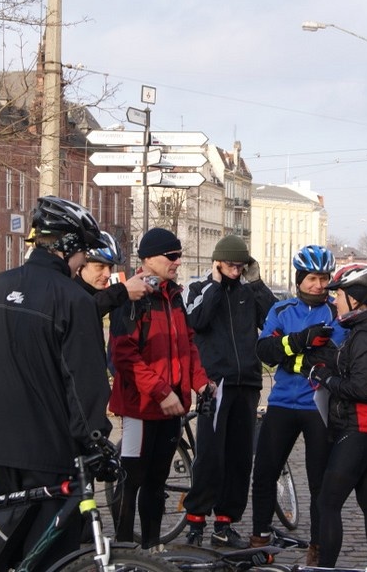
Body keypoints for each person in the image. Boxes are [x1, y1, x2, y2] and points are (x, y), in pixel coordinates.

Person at [0, 195, 112, 569]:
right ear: (67, 248)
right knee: (49, 554)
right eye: (82, 252)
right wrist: (95, 440)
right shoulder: (73, 300)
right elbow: (86, 386)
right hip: (50, 447)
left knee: (7, 546)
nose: (83, 260)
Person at [108, 227, 212, 549]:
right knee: (132, 479)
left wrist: (199, 382)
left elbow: (188, 345)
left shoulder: (175, 296)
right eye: (172, 256)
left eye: (179, 255)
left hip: (173, 406)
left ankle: (152, 548)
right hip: (141, 406)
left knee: (157, 482)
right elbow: (123, 354)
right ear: (149, 259)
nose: (177, 262)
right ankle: (125, 548)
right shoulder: (132, 297)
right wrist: (161, 391)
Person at [249, 245, 345, 566]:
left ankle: (317, 547)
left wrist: (290, 352)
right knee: (264, 473)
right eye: (313, 278)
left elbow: (330, 356)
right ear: (300, 278)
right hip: (282, 404)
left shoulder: (336, 313)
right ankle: (260, 538)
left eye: (324, 278)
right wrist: (301, 344)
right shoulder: (282, 310)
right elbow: (265, 351)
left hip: (318, 406)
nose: (319, 285)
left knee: (320, 481)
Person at [308, 263, 367, 568]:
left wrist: (324, 379)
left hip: (360, 427)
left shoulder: (365, 334)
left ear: (355, 298)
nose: (334, 300)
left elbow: (361, 387)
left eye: (338, 295)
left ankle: (326, 567)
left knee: (328, 502)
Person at [182, 235, 277, 548]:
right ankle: (196, 520)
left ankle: (225, 522)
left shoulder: (249, 293)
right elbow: (196, 319)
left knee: (239, 458)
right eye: (231, 266)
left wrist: (258, 283)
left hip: (247, 383)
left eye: (241, 266)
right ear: (218, 263)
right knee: (210, 456)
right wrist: (215, 283)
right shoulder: (200, 289)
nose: (236, 271)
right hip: (216, 384)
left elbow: (274, 319)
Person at [76, 230, 152, 318]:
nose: (108, 274)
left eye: (110, 267)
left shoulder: (92, 294)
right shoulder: (66, 294)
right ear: (80, 264)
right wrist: (123, 291)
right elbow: (83, 310)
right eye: (100, 266)